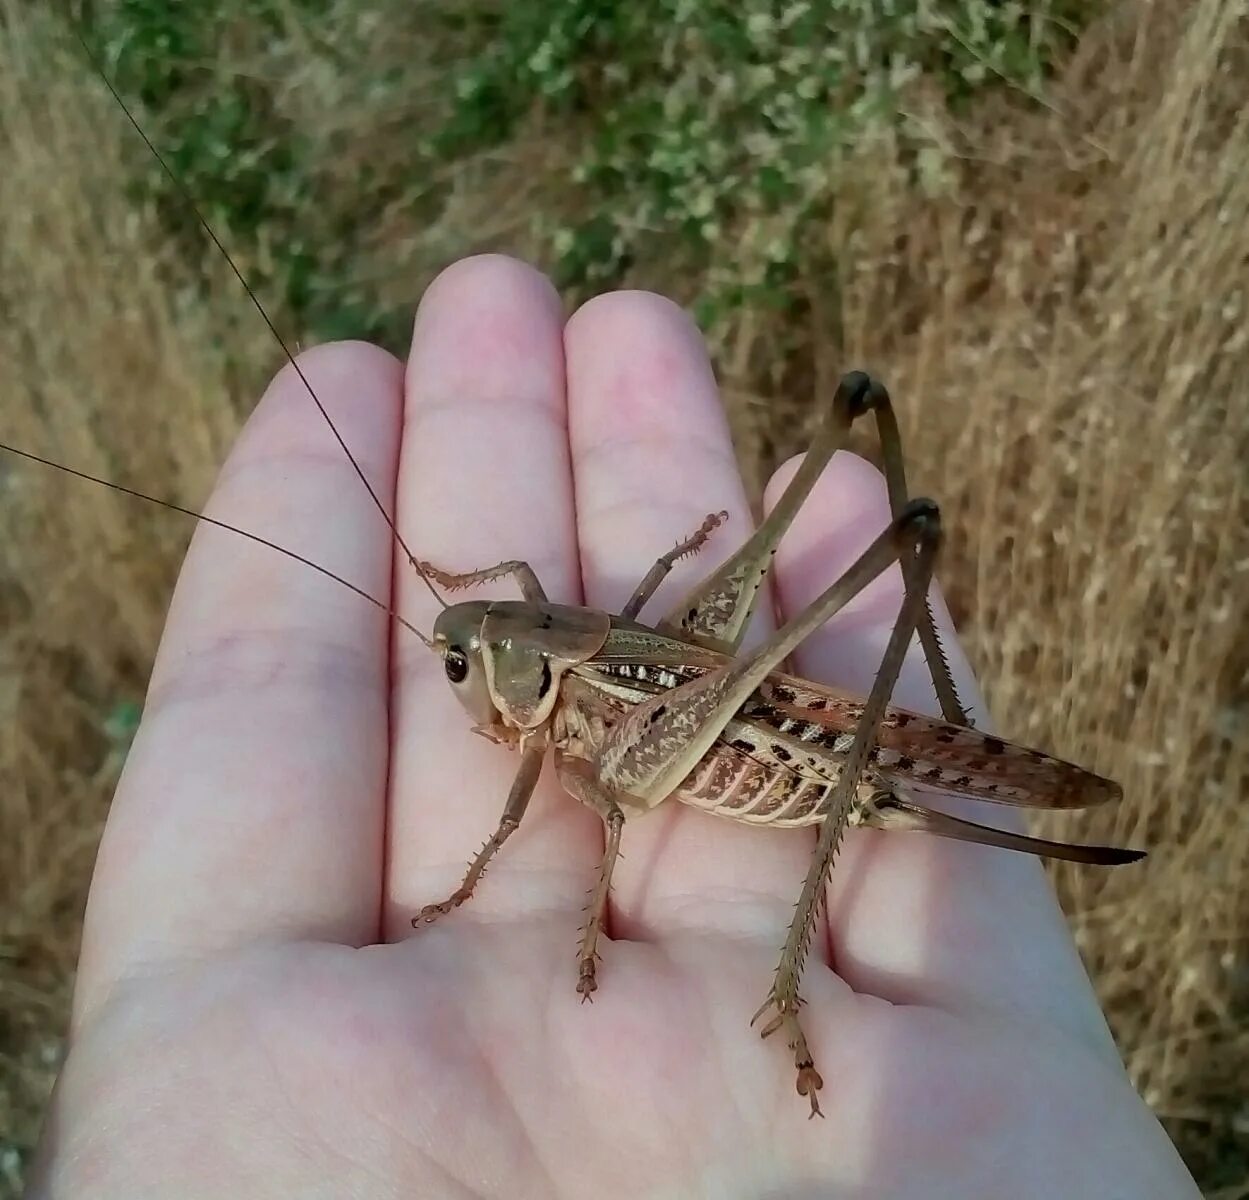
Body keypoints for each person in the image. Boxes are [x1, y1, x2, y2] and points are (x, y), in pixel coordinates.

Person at [26, 256, 1199, 1198]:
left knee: (852, 544)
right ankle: (928, 766)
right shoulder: (532, 628)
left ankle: (794, 981)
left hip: (748, 738)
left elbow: (595, 793)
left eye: (466, 661)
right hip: (684, 691)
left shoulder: (559, 712)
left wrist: (515, 875)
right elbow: (545, 608)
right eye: (465, 652)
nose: (468, 684)